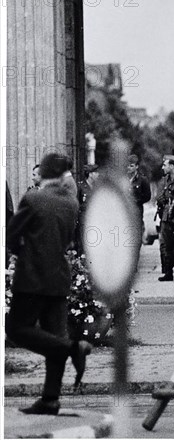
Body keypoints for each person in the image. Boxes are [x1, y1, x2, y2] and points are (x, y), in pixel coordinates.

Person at [6, 153, 93, 415]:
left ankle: (72, 349)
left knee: (16, 329)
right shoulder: (70, 202)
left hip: (32, 277)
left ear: (42, 172)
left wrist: (19, 251)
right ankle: (50, 399)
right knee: (54, 336)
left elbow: (11, 234)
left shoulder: (34, 198)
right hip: (59, 277)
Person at [156, 155, 174, 281]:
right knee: (165, 245)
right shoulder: (164, 181)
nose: (162, 167)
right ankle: (167, 271)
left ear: (172, 166)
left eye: (165, 165)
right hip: (165, 216)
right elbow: (159, 196)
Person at [76, 164, 99, 251]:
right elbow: (77, 204)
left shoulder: (97, 187)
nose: (98, 175)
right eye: (96, 172)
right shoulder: (81, 187)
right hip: (83, 220)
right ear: (90, 174)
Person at [127, 154, 152, 232]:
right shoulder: (123, 179)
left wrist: (137, 201)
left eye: (131, 166)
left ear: (136, 166)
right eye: (127, 166)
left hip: (137, 212)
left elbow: (147, 196)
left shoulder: (142, 180)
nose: (128, 168)